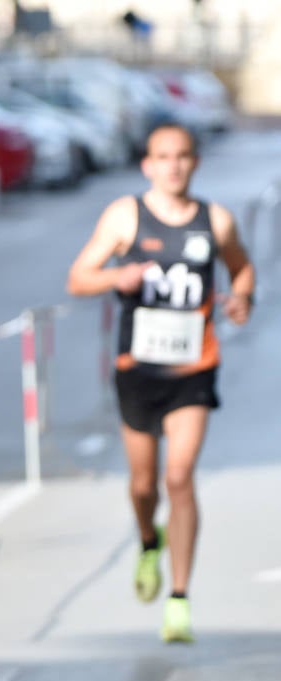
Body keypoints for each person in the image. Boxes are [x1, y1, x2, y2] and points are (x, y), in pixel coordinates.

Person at [67, 122, 253, 643]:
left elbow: (242, 271)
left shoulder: (214, 220)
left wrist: (242, 299)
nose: (172, 165)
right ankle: (149, 539)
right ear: (148, 164)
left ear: (194, 162)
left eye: (182, 156)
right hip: (137, 370)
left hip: (195, 368)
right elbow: (78, 277)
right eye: (162, 157)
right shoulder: (126, 216)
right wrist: (114, 277)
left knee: (179, 476)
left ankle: (179, 599)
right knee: (145, 484)